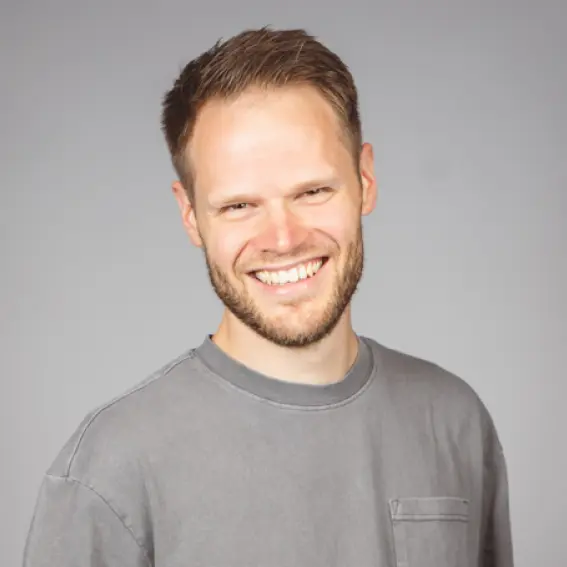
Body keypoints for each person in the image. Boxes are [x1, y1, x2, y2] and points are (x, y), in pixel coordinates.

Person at [23, 27, 514, 567]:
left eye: (313, 191)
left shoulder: (455, 421)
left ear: (365, 179)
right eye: (239, 206)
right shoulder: (108, 471)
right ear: (190, 215)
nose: (282, 239)